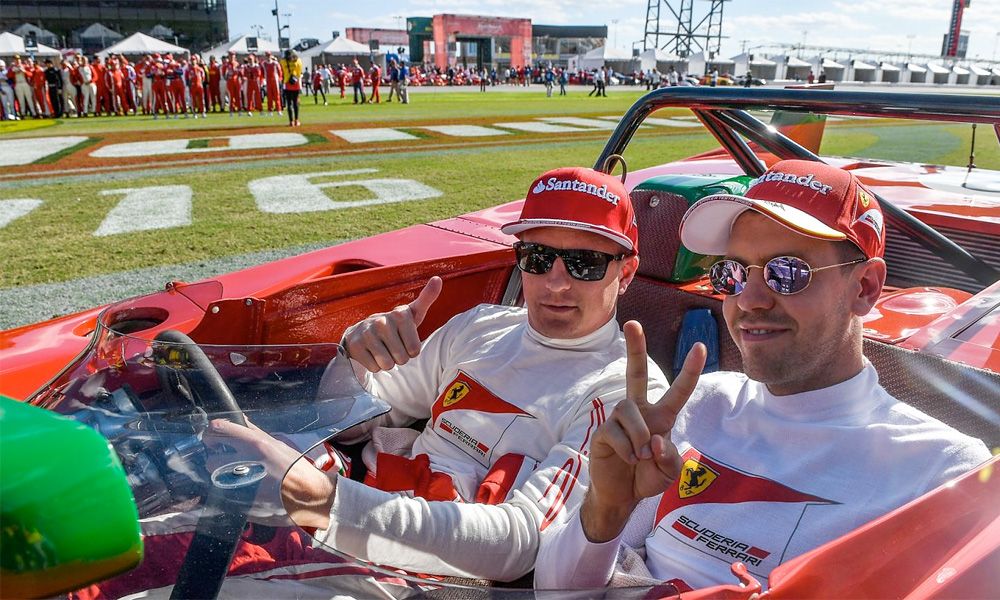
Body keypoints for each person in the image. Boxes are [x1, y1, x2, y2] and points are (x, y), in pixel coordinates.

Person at [197, 166, 669, 586]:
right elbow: (355, 420)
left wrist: (327, 503)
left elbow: (523, 544)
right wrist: (355, 358)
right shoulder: (480, 324)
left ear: (625, 273)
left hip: (422, 577)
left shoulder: (625, 388)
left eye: (586, 264)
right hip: (354, 517)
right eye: (539, 258)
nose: (557, 283)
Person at [534, 160, 992, 591]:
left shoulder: (942, 473)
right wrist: (606, 512)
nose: (749, 299)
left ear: (865, 288)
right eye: (731, 273)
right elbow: (553, 589)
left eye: (787, 272)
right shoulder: (702, 404)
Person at [279, 49, 302, 127]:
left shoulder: (283, 62)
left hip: (287, 83)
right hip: (296, 83)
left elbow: (281, 70)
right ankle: (296, 120)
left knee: (289, 103)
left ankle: (291, 121)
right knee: (295, 103)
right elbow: (299, 73)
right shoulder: (298, 61)